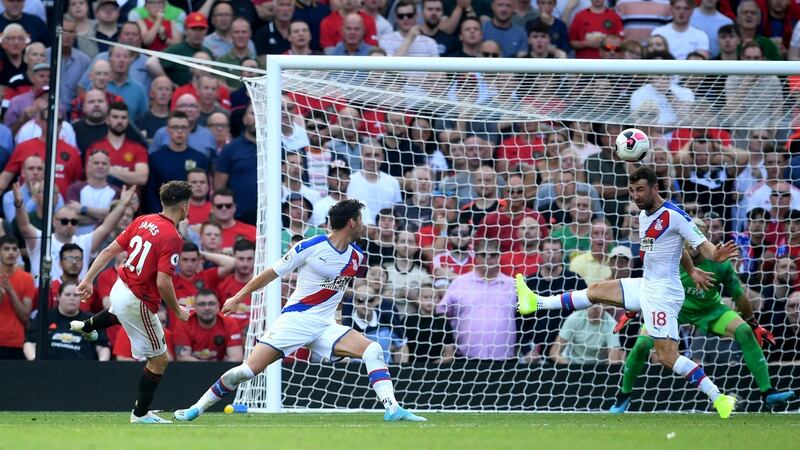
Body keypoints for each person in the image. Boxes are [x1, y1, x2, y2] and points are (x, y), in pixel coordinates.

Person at [515, 166, 740, 418]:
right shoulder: (644, 215)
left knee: (667, 357)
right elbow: (678, 248)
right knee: (597, 289)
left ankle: (719, 398)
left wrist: (715, 256)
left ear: (656, 188)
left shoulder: (675, 216)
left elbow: (702, 246)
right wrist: (693, 270)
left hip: (663, 294)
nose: (635, 195)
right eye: (632, 190)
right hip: (646, 284)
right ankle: (535, 302)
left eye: (640, 190)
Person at [173, 199, 426, 422]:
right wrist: (238, 296)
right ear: (351, 222)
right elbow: (271, 273)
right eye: (361, 220)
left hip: (325, 325)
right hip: (295, 321)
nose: (364, 225)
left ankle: (392, 408)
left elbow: (337, 290)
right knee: (247, 371)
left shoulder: (358, 257)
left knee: (372, 349)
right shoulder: (309, 246)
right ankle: (195, 408)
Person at [609, 219, 795, 412]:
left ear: (704, 239)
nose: (692, 241)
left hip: (710, 310)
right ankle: (623, 396)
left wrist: (754, 324)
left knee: (744, 332)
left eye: (698, 236)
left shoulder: (719, 263)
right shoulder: (670, 256)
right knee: (641, 344)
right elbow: (648, 286)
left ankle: (768, 392)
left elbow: (738, 295)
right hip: (672, 310)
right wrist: (632, 311)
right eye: (688, 236)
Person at [72, 181, 193, 424]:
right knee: (159, 360)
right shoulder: (172, 236)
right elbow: (163, 283)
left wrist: (87, 280)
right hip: (137, 299)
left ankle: (88, 326)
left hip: (121, 287)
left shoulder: (142, 221)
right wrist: (177, 310)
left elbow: (107, 252)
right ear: (184, 207)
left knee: (120, 313)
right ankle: (140, 414)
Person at [437, 239, 518, 360]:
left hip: (504, 360)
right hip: (465, 359)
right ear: (476, 256)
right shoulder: (459, 283)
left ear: (499, 256)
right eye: (483, 254)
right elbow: (442, 315)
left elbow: (525, 319)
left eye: (493, 254)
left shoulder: (513, 284)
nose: (488, 258)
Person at [23, 281, 110, 361]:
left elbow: (103, 348)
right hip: (48, 370)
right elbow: (29, 343)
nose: (72, 298)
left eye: (76, 295)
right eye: (67, 295)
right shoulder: (44, 317)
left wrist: (100, 365)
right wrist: (35, 362)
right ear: (58, 297)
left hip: (83, 371)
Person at [85, 101, 150, 189]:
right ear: (107, 120)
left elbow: (142, 178)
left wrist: (109, 170)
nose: (120, 121)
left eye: (123, 118)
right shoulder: (95, 148)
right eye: (115, 117)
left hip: (130, 200)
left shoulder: (138, 149)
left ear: (127, 121)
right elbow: (90, 176)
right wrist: (129, 176)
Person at [173, 289, 244, 361]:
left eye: (211, 303)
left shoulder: (230, 323)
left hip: (221, 369)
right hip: (192, 370)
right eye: (201, 304)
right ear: (195, 307)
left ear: (218, 306)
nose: (207, 308)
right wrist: (207, 369)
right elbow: (182, 357)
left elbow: (236, 357)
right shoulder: (184, 323)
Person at [549, 303, 625, 365]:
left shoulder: (611, 324)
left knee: (622, 356)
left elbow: (614, 361)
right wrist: (569, 367)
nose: (595, 307)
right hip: (574, 364)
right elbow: (554, 352)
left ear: (604, 306)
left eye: (598, 303)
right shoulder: (574, 318)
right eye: (592, 303)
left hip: (600, 366)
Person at [0, 235, 35, 360]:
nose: (11, 252)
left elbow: (26, 316)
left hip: (15, 343)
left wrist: (11, 291)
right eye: (6, 249)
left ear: (18, 253)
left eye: (14, 249)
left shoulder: (27, 279)